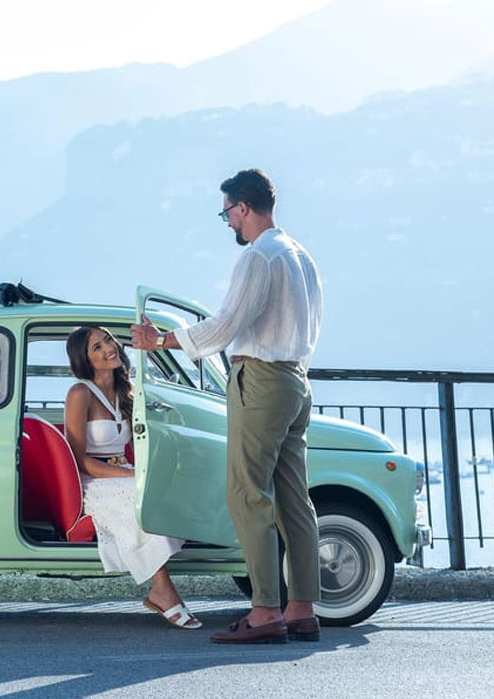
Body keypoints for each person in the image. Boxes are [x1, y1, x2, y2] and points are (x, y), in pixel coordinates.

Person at [131, 168, 324, 644]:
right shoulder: (302, 256)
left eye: (227, 213)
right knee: (294, 500)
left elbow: (225, 325)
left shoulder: (259, 257)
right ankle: (302, 608)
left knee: (247, 493)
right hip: (297, 380)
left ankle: (264, 611)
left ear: (243, 207)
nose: (228, 224)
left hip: (260, 380)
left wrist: (160, 340)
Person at [63, 325, 202, 630]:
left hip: (124, 472)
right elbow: (78, 460)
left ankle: (162, 587)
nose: (108, 349)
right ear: (84, 359)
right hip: (93, 480)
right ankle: (161, 589)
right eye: (96, 348)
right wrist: (129, 474)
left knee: (163, 489)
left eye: (108, 340)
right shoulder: (80, 393)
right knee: (138, 494)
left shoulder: (127, 389)